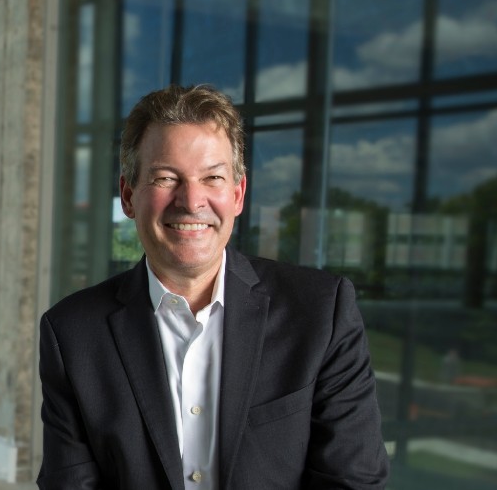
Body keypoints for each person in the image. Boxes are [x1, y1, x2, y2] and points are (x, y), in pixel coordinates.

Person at [37, 84, 388, 489]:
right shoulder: (72, 333)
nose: (191, 201)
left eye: (213, 177)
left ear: (237, 194)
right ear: (128, 196)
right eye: (166, 178)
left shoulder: (321, 312)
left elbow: (353, 481)